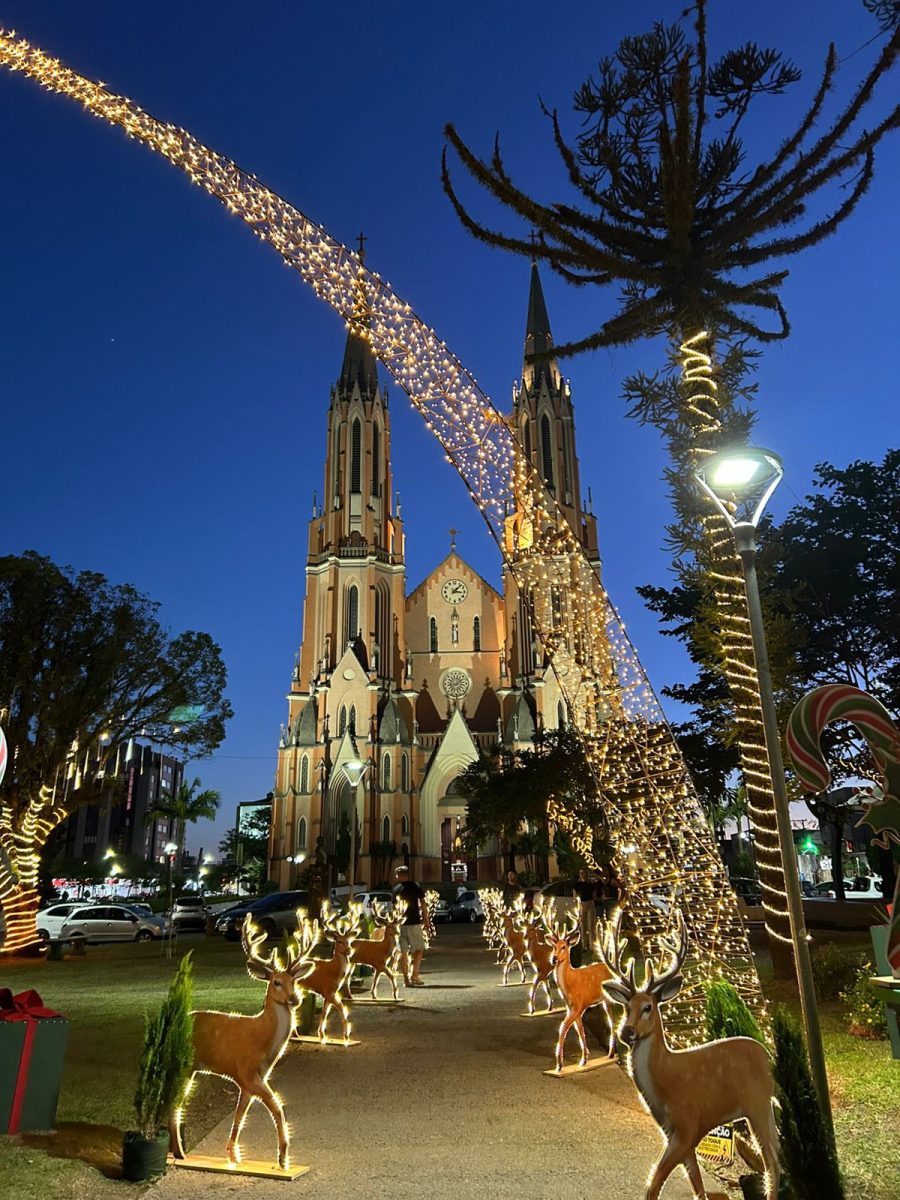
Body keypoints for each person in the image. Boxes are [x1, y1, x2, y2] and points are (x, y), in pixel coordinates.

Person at [393, 865, 430, 986]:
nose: (396, 877)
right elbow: (423, 903)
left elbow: (393, 908)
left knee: (403, 953)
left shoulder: (396, 889)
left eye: (397, 875)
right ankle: (414, 975)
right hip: (414, 923)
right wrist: (426, 919)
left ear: (400, 875)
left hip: (400, 925)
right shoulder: (416, 886)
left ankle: (406, 979)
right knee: (418, 950)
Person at [573, 867, 597, 952]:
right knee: (582, 926)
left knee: (591, 926)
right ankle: (584, 945)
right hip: (581, 904)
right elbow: (575, 897)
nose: (583, 875)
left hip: (590, 903)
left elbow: (594, 896)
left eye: (584, 873)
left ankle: (592, 946)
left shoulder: (591, 885)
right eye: (581, 873)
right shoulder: (577, 885)